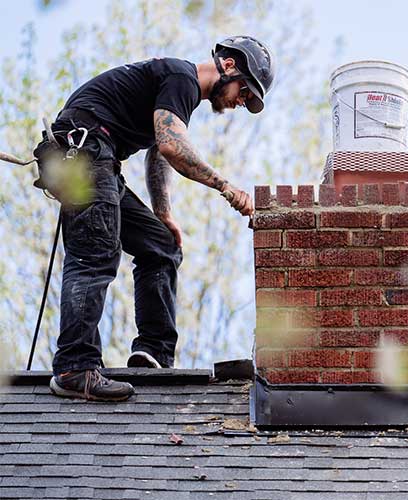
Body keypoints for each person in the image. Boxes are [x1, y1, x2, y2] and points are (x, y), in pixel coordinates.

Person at [33, 36, 275, 402]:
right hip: (82, 154)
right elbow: (171, 145)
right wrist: (226, 187)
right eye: (246, 91)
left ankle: (153, 355)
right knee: (95, 256)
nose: (242, 102)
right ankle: (75, 367)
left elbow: (158, 154)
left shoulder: (177, 92)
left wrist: (164, 215)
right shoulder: (182, 76)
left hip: (98, 160)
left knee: (161, 246)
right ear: (229, 66)